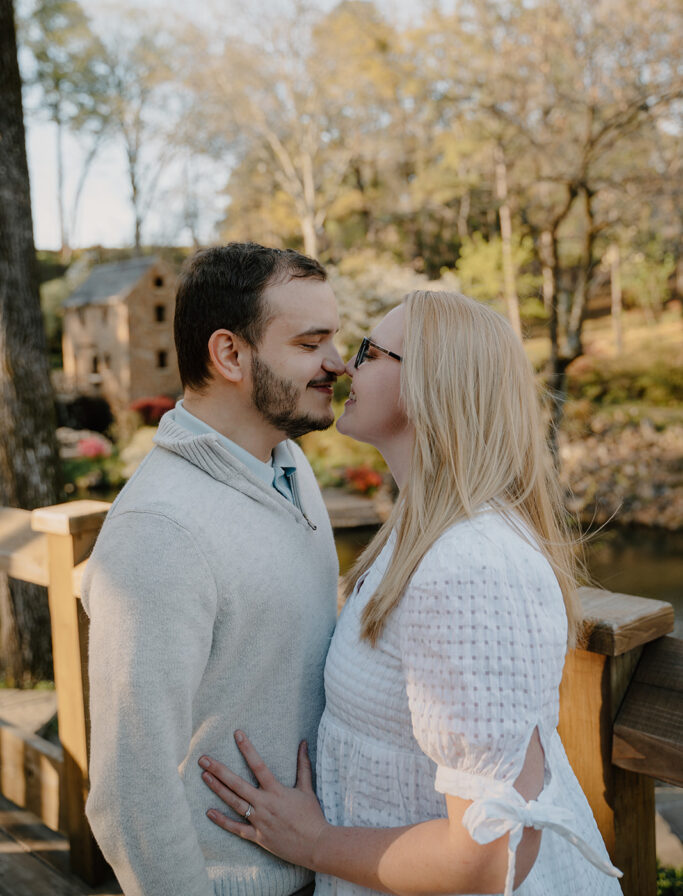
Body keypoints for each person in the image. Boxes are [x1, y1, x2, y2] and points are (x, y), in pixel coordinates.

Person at [197, 290, 623, 896]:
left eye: (369, 351)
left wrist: (311, 841)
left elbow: (487, 861)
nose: (345, 365)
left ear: (430, 380)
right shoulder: (418, 533)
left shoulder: (472, 567)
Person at [82, 243, 345, 896]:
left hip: (325, 868)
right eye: (311, 344)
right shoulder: (160, 532)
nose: (337, 363)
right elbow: (127, 793)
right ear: (230, 355)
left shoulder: (289, 462)